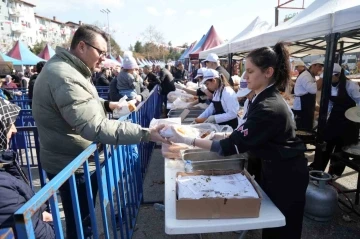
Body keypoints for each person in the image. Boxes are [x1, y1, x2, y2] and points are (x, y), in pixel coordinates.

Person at [31, 24, 167, 239]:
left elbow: (80, 102)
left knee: (84, 219)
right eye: (101, 52)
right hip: (73, 164)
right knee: (82, 224)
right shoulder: (64, 76)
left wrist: (107, 105)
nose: (104, 58)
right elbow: (94, 127)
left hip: (72, 159)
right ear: (82, 46)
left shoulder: (68, 70)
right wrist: (146, 133)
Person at [169, 42, 308, 239]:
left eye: (250, 71)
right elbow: (240, 136)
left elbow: (227, 147)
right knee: (272, 229)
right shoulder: (261, 99)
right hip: (274, 167)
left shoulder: (268, 106)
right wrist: (220, 135)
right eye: (245, 71)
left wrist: (187, 139)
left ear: (268, 72)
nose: (245, 77)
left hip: (287, 175)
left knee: (282, 231)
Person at [0, 98, 55, 239]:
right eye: (8, 124)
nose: (14, 129)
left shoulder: (5, 166)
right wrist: (50, 223)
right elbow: (38, 234)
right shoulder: (3, 187)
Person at [311, 63, 360, 173]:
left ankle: (334, 173)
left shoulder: (350, 86)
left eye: (329, 76)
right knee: (326, 145)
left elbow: (359, 101)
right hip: (334, 119)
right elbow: (330, 104)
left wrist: (357, 115)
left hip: (349, 121)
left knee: (341, 149)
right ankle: (318, 171)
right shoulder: (329, 86)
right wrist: (324, 117)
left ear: (337, 75)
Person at [292, 58, 324, 131]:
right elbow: (313, 90)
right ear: (313, 66)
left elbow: (316, 88)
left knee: (307, 126)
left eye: (321, 67)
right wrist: (322, 77)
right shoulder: (306, 76)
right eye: (319, 66)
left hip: (306, 105)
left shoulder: (310, 76)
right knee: (302, 128)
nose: (320, 69)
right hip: (302, 106)